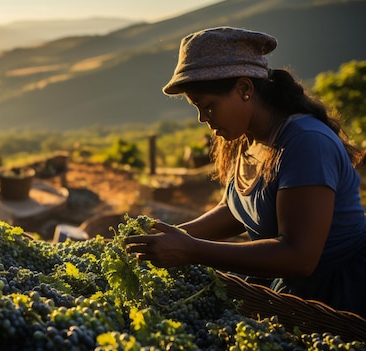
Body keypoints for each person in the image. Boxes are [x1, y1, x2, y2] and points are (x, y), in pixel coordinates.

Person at [124, 27, 366, 316]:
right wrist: (169, 237)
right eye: (197, 108)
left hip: (343, 295)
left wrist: (192, 250)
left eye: (208, 106)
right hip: (296, 291)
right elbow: (236, 209)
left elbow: (299, 256)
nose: (203, 118)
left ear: (244, 89)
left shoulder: (305, 143)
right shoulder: (245, 138)